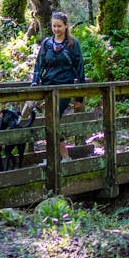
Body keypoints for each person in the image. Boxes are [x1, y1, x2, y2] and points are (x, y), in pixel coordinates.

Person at [31, 11, 86, 159]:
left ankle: (63, 157)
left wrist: (79, 97)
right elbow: (39, 64)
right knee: (50, 122)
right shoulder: (47, 43)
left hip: (64, 88)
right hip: (48, 88)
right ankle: (58, 158)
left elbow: (80, 68)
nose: (56, 29)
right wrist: (35, 81)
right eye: (54, 26)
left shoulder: (73, 44)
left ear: (66, 26)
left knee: (53, 120)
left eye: (59, 26)